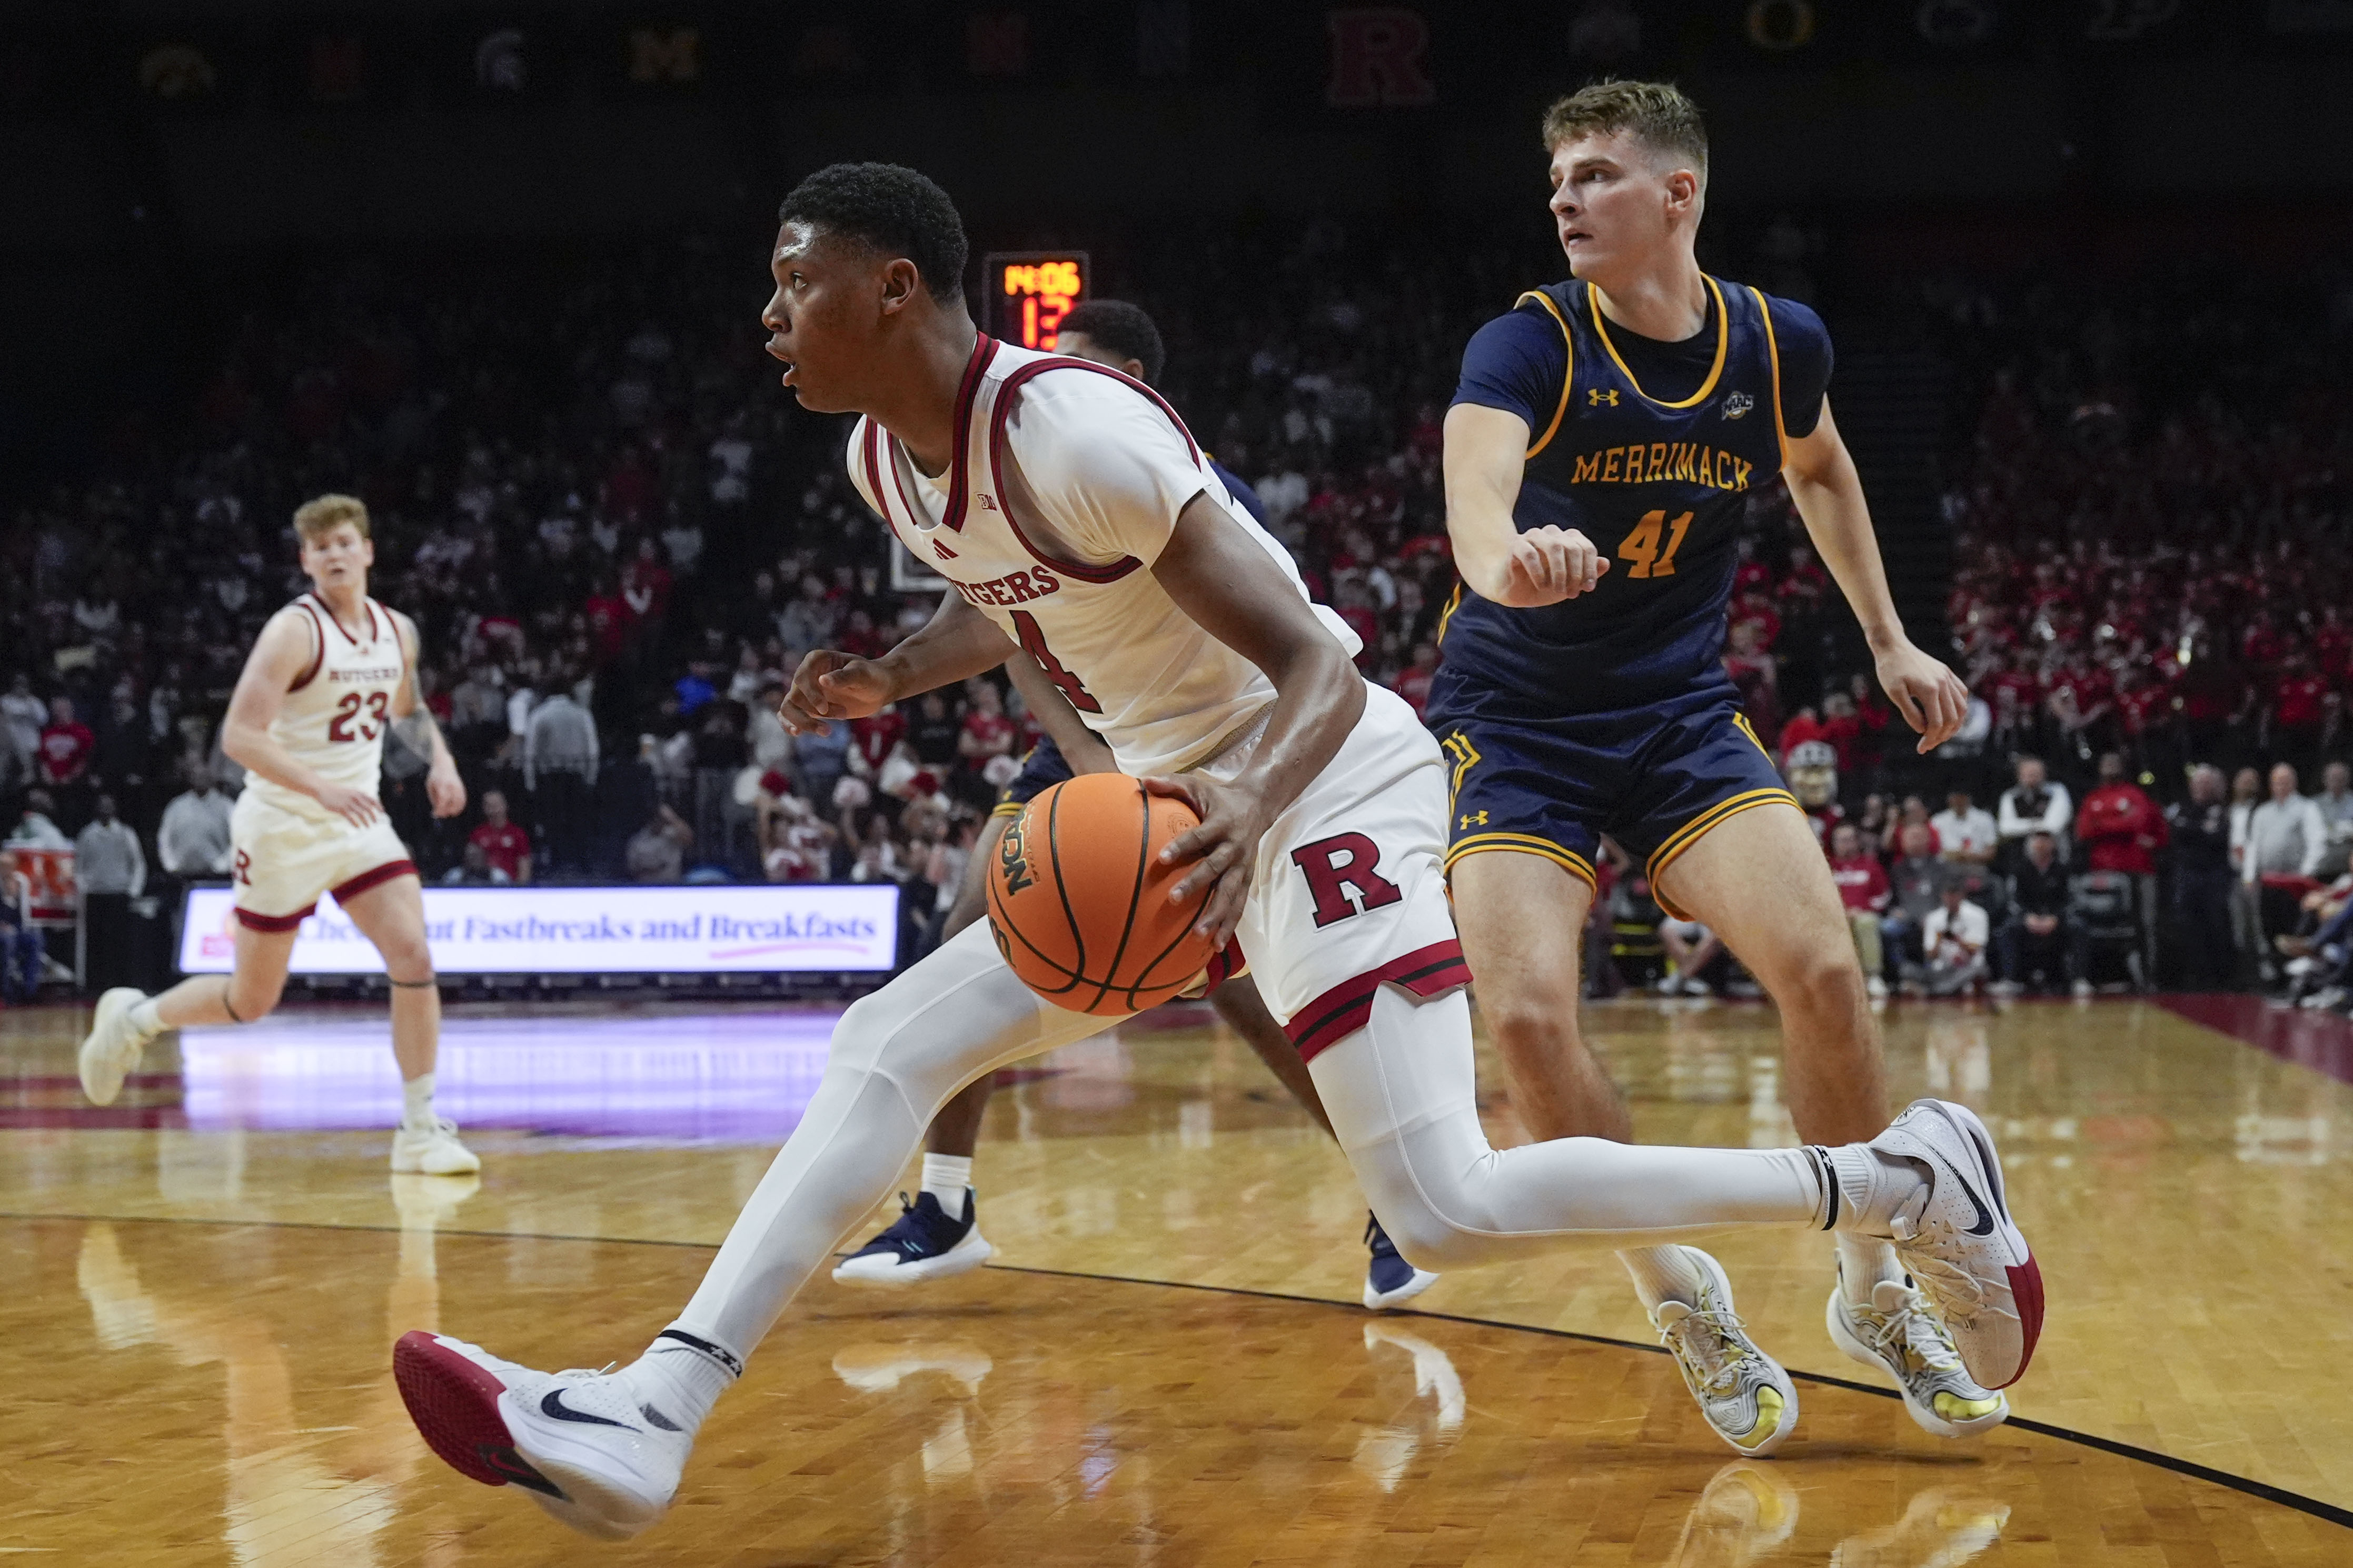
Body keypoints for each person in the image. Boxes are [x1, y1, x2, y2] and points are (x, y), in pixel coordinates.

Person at [392, 163, 2038, 1540]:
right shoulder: (879, 459)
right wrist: (900, 675)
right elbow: (1022, 599)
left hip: (1319, 783)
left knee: (1447, 1208)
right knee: (883, 1046)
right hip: (1179, 810)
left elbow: (1320, 669)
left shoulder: (1079, 427)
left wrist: (1244, 812)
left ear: (894, 288)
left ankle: (1902, 1175)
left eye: (792, 280)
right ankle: (651, 1415)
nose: (767, 313)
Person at [1427, 80, 1999, 1447]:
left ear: (1675, 193)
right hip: (1515, 720)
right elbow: (1470, 500)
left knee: (1817, 967)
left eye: (1596, 173)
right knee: (1520, 1023)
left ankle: (1869, 1282)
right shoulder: (1526, 344)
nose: (1564, 196)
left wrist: (1887, 639)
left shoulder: (1769, 337)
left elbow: (1816, 466)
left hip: (1678, 711)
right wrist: (1505, 560)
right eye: (1556, 175)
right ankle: (1678, 1288)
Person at [832, 296, 1438, 1310]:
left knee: (1239, 988)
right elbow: (1003, 618)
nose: (1033, 382)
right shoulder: (986, 459)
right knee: (965, 931)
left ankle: (1390, 1192)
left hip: (1199, 745)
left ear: (1130, 384)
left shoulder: (1154, 471)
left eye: (1070, 365)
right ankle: (945, 1205)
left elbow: (1293, 657)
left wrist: (1124, 778)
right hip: (1081, 742)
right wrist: (1072, 758)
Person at [73, 494, 476, 1175]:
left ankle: (418, 1126)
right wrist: (318, 786)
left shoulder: (396, 630)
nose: (335, 555)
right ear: (306, 561)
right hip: (284, 825)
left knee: (412, 951)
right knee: (250, 1000)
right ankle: (136, 1020)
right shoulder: (293, 631)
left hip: (358, 821)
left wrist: (441, 760)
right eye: (321, 548)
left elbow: (407, 710)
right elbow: (239, 736)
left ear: (368, 550)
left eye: (345, 542)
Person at [2074, 752, 2165, 988]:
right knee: (2098, 926)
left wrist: (2101, 824)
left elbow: (2136, 823)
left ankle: (2147, 978)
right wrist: (2118, 822)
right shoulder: (2093, 798)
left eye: (2115, 764)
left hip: (2137, 871)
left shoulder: (2135, 795)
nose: (2111, 767)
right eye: (2107, 763)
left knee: (2143, 925)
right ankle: (2099, 977)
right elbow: (2083, 831)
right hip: (2102, 873)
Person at [2242, 762, 2328, 980]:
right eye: (2277, 782)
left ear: (2294, 782)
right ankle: (2278, 976)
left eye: (2285, 781)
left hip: (2294, 882)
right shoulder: (2262, 812)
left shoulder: (2306, 808)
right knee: (2270, 928)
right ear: (2271, 785)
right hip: (2269, 881)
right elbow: (2253, 846)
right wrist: (2250, 876)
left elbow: (2317, 842)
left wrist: (2306, 873)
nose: (2281, 785)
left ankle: (2296, 978)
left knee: (2294, 929)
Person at [2167, 764, 2239, 989]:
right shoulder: (2182, 808)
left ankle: (2222, 977)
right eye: (2198, 783)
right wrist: (2200, 829)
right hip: (2188, 876)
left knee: (2216, 924)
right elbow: (2175, 833)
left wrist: (2191, 830)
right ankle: (2198, 975)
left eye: (2206, 783)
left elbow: (2217, 837)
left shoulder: (2221, 810)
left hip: (2214, 877)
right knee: (2189, 926)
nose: (2201, 788)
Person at [522, 673, 597, 874]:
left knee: (552, 823)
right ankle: (580, 865)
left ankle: (555, 865)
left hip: (550, 778)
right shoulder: (582, 715)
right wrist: (590, 779)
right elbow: (592, 750)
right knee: (577, 822)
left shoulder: (540, 715)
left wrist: (531, 784)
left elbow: (530, 752)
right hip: (576, 776)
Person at [73, 793, 146, 993]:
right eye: (102, 806)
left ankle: (121, 984)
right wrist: (84, 889)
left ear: (115, 809)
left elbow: (138, 863)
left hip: (119, 895)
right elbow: (79, 867)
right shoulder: (87, 834)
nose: (106, 810)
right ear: (97, 809)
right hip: (96, 896)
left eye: (109, 806)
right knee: (97, 944)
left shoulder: (126, 833)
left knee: (120, 942)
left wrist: (133, 890)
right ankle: (96, 986)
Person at [1993, 830, 2075, 996]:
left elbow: (2071, 900)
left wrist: (2056, 918)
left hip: (2056, 919)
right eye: (2038, 841)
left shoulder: (2063, 870)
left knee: (2078, 927)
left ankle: (2079, 980)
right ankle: (2009, 979)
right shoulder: (2019, 869)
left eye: (2046, 841)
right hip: (2028, 918)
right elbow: (2012, 900)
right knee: (2007, 929)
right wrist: (2027, 917)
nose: (2041, 845)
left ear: (2053, 845)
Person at [1826, 822, 1890, 998]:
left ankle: (1874, 977)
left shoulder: (1870, 866)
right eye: (1841, 840)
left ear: (1857, 842)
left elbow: (1883, 896)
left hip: (1864, 915)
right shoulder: (1826, 868)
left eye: (1849, 840)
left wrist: (1862, 910)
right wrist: (1841, 913)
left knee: (1866, 922)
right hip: (1834, 917)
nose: (1845, 844)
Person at [1882, 821, 1949, 975]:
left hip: (1934, 917)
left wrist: (1934, 916)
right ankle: (1901, 973)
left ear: (1929, 840)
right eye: (1911, 837)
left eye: (1919, 837)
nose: (1915, 841)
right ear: (1903, 841)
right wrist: (1895, 911)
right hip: (1905, 917)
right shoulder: (1897, 869)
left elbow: (1947, 898)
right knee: (1887, 928)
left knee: (1935, 925)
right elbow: (1891, 900)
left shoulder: (1940, 868)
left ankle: (1934, 972)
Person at [156, 765, 236, 882]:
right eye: (196, 777)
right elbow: (164, 838)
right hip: (182, 875)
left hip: (217, 875)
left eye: (203, 777)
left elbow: (238, 838)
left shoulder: (226, 806)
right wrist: (171, 865)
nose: (200, 780)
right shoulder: (176, 806)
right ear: (190, 779)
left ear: (211, 778)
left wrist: (223, 865)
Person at [1910, 882, 1989, 997]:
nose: (1951, 900)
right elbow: (1930, 955)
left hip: (1969, 967)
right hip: (1943, 969)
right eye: (1948, 896)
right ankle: (1944, 987)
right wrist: (1939, 939)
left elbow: (1976, 950)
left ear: (1962, 895)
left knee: (1979, 970)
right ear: (1943, 896)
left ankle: (1937, 990)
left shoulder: (1978, 914)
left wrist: (1957, 940)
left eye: (1954, 896)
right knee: (1907, 970)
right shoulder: (1934, 918)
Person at [1994, 756, 2070, 871]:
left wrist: (2022, 825)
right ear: (2019, 776)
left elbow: (2054, 825)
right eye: (2029, 774)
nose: (2033, 778)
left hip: (2055, 854)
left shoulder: (2058, 791)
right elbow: (2005, 828)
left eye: (2036, 773)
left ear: (2044, 774)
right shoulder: (2010, 796)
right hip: (2019, 856)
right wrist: (2036, 825)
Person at [468, 790, 533, 885]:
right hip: (484, 886)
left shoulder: (517, 834)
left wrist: (520, 889)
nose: (494, 810)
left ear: (505, 805)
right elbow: (471, 864)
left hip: (509, 886)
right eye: (489, 806)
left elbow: (524, 864)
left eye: (496, 805)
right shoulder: (478, 834)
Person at [1929, 788, 1998, 873]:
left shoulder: (1984, 818)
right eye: (1955, 798)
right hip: (1945, 869)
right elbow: (1932, 852)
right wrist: (1954, 855)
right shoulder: (1937, 821)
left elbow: (1991, 852)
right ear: (1949, 799)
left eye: (1961, 798)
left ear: (1968, 799)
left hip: (1976, 867)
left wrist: (1970, 857)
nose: (1958, 802)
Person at [625, 802, 693, 883]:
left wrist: (673, 818)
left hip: (672, 887)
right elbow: (632, 869)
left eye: (663, 819)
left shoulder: (673, 835)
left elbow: (689, 839)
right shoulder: (638, 841)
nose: (661, 822)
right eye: (657, 818)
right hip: (646, 888)